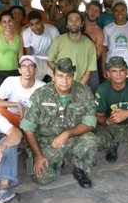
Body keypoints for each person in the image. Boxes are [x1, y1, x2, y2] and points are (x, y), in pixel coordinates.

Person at [21, 58, 98, 188]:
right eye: (60, 76)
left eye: (68, 76)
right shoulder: (40, 94)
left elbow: (90, 123)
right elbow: (28, 128)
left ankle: (80, 169)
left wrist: (67, 133)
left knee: (90, 140)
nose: (64, 80)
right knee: (43, 179)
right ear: (53, 77)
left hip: (71, 138)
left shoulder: (84, 92)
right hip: (46, 142)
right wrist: (38, 155)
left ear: (73, 77)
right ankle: (57, 161)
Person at [0, 55, 45, 128]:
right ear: (19, 70)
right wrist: (17, 104)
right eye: (24, 66)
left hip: (32, 121)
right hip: (13, 119)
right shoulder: (10, 81)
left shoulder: (43, 87)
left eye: (30, 66)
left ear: (35, 70)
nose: (27, 69)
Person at [48, 10, 97, 85]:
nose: (74, 23)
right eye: (70, 20)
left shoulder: (90, 45)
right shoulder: (58, 40)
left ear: (82, 24)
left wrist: (79, 86)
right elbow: (50, 61)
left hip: (79, 83)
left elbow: (88, 72)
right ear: (67, 24)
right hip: (59, 83)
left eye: (77, 20)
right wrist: (61, 74)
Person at [101, 0, 128, 79]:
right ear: (113, 12)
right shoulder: (107, 28)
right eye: (116, 10)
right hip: (111, 65)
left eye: (122, 10)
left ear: (126, 11)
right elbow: (104, 50)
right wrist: (103, 68)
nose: (119, 13)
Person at [23, 11, 60, 82]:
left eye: (37, 23)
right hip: (36, 60)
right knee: (31, 83)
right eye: (31, 24)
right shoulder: (26, 33)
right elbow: (28, 54)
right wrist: (31, 67)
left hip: (51, 59)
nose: (35, 27)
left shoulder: (53, 30)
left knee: (59, 81)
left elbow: (58, 50)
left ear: (42, 21)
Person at [84, 0, 104, 90]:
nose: (93, 12)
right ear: (86, 10)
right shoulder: (77, 25)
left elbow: (98, 54)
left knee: (92, 93)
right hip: (73, 63)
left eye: (97, 11)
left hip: (90, 66)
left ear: (99, 14)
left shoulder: (99, 32)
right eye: (91, 9)